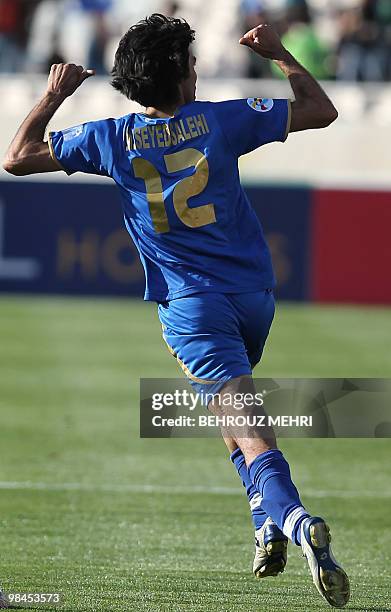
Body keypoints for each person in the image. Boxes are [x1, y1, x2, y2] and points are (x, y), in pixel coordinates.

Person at [3, 13, 349, 609]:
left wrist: (54, 93)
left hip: (191, 304)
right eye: (191, 62)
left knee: (244, 420)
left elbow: (19, 156)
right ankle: (262, 518)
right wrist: (279, 53)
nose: (197, 69)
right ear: (183, 78)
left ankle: (291, 516)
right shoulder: (221, 119)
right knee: (228, 411)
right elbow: (320, 109)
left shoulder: (111, 138)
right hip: (254, 298)